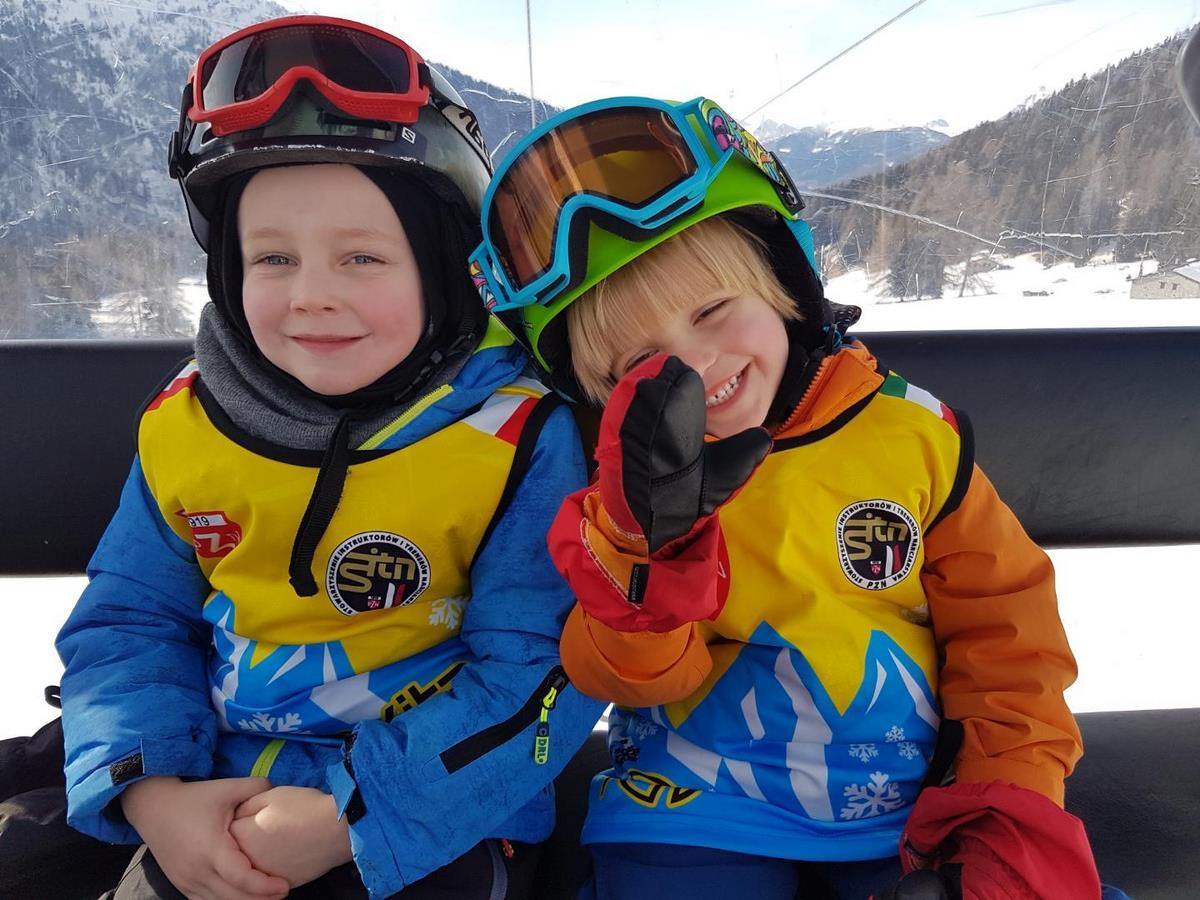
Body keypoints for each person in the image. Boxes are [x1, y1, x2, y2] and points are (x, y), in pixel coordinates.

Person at [468, 96, 1106, 898]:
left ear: (783, 283)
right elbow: (628, 679)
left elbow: (1009, 642)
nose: (696, 363)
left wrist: (1004, 807)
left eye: (711, 310)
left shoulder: (914, 437)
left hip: (899, 807)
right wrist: (642, 553)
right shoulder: (615, 493)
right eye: (641, 361)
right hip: (688, 807)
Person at [53, 16, 603, 899]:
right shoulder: (189, 425)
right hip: (211, 790)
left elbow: (539, 670)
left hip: (432, 814)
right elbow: (130, 620)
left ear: (445, 267)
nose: (312, 295)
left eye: (362, 257)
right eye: (273, 256)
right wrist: (152, 791)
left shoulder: (516, 436)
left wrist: (355, 814)